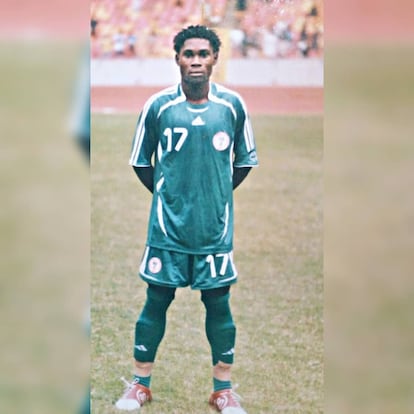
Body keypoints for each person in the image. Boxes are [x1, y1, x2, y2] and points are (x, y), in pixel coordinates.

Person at [116, 25, 258, 413]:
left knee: (218, 303)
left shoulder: (232, 106)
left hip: (214, 231)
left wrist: (215, 197)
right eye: (188, 54)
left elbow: (244, 162)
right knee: (156, 299)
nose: (196, 61)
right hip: (167, 229)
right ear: (177, 58)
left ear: (214, 58)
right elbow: (141, 162)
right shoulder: (158, 106)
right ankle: (139, 385)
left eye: (203, 54)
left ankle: (223, 391)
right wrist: (171, 195)